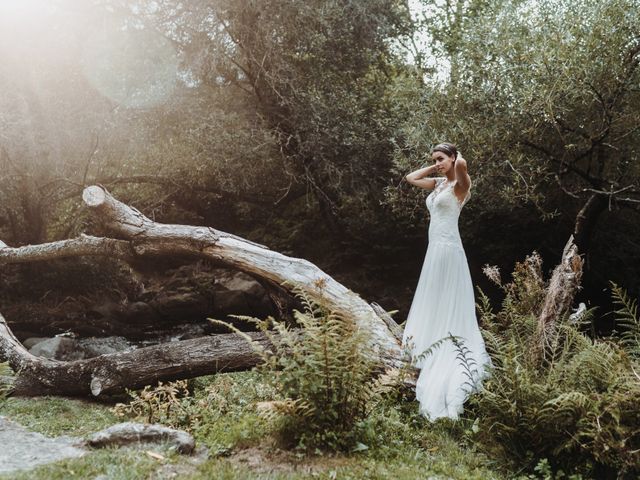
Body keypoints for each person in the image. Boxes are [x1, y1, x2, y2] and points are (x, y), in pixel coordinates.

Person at [402, 142, 492, 420]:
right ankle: (427, 340)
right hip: (435, 250)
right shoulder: (439, 183)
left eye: (441, 158)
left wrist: (457, 161)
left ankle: (450, 354)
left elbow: (463, 170)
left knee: (448, 299)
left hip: (449, 249)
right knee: (432, 297)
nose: (438, 163)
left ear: (453, 158)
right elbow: (410, 178)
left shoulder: (460, 186)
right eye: (435, 159)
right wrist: (437, 166)